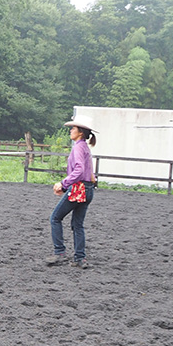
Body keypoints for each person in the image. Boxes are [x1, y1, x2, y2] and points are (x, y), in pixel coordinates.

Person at [45, 115, 98, 269]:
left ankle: (60, 252)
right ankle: (80, 258)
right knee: (77, 224)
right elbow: (89, 174)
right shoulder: (85, 148)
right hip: (87, 190)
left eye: (73, 128)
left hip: (79, 190)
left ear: (80, 132)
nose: (71, 130)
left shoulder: (77, 148)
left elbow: (79, 170)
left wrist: (63, 183)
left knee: (55, 218)